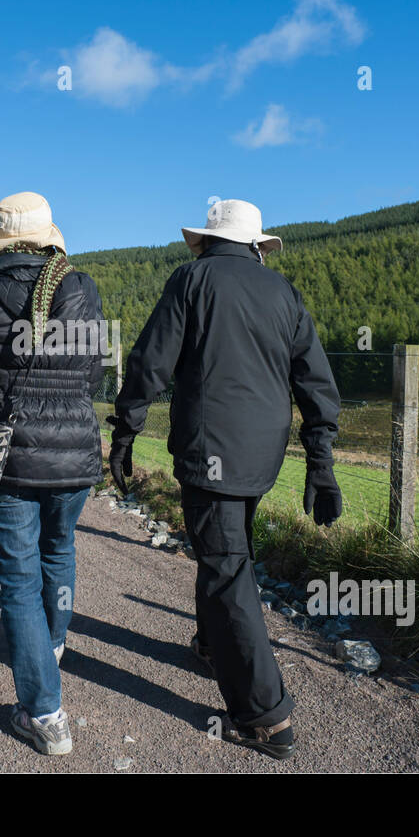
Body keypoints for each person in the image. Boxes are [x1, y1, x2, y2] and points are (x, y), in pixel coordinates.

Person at [108, 199, 341, 761]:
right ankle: (213, 647)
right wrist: (321, 459)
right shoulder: (281, 291)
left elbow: (150, 363)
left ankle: (266, 717)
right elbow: (313, 376)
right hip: (263, 455)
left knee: (225, 569)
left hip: (209, 450)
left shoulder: (191, 280)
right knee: (227, 554)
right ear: (258, 244)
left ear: (207, 241)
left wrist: (124, 429)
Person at [0, 191, 105, 756]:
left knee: (18, 578)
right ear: (47, 234)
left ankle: (46, 715)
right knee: (59, 552)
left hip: (7, 454)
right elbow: (93, 372)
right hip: (75, 451)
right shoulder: (79, 286)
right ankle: (53, 644)